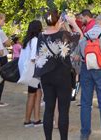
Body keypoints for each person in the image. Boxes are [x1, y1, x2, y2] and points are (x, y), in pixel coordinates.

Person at [34, 9, 79, 140]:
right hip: (62, 75)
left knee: (49, 109)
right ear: (58, 19)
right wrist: (72, 23)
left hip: (46, 76)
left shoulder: (41, 36)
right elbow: (79, 36)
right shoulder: (63, 34)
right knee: (63, 110)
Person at [19, 20, 43, 127]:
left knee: (36, 94)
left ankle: (34, 119)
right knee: (33, 95)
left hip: (28, 72)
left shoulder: (27, 41)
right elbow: (33, 58)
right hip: (34, 72)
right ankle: (29, 119)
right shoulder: (35, 40)